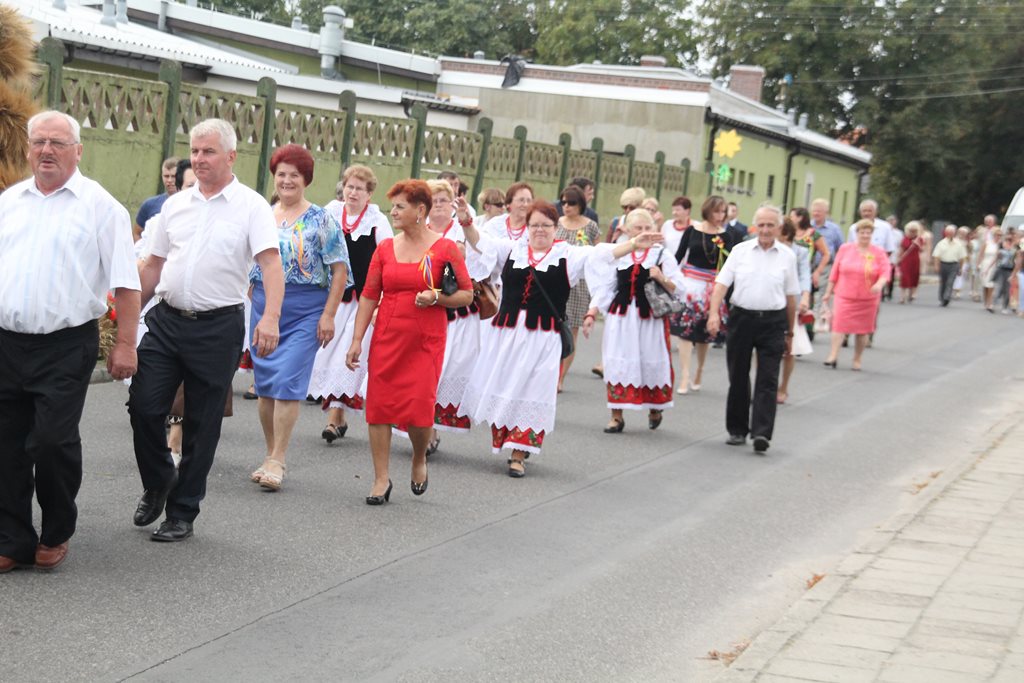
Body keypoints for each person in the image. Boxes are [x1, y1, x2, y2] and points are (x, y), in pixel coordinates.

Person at [129, 118, 284, 542]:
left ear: (231, 156)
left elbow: (271, 263)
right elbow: (153, 265)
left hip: (217, 326)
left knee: (201, 422)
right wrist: (124, 325)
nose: (198, 159)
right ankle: (161, 478)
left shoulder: (251, 206)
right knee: (144, 405)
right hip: (165, 319)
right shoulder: (175, 205)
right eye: (194, 152)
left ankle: (182, 512)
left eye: (208, 151)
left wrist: (269, 318)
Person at [0, 111, 140, 572]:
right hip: (6, 343)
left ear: (78, 151)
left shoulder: (102, 208)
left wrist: (125, 344)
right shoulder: (10, 202)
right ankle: (13, 538)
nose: (46, 150)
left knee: (52, 442)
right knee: (6, 444)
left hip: (65, 344)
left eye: (57, 143)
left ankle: (56, 529)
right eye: (38, 141)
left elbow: (126, 284)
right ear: (27, 148)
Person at [460, 201, 663, 477]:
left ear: (556, 228)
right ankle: (509, 438)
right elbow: (480, 243)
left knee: (533, 391)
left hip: (543, 339)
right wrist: (466, 222)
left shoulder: (567, 255)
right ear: (527, 227)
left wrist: (634, 244)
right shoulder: (511, 249)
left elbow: (602, 255)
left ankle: (519, 452)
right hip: (506, 336)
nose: (540, 230)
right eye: (534, 225)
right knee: (507, 387)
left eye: (546, 225)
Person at [345, 179, 473, 504]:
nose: (394, 212)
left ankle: (419, 457)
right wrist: (357, 339)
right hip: (387, 336)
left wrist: (437, 297)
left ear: (420, 210)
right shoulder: (385, 248)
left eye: (400, 206)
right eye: (393, 206)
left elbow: (467, 294)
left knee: (419, 410)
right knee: (379, 407)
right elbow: (369, 295)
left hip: (425, 340)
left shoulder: (444, 248)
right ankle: (381, 479)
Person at [247, 145, 350, 491]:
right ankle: (269, 452)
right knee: (265, 385)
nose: (287, 180)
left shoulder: (321, 219)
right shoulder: (261, 214)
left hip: (306, 309)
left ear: (305, 179)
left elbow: (339, 270)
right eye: (281, 174)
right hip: (263, 305)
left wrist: (329, 315)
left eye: (294, 175)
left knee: (288, 381)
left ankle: (278, 458)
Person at [308, 166, 393, 443]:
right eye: (349, 187)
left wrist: (382, 298)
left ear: (369, 194)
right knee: (326, 352)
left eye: (359, 188)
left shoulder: (377, 221)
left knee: (347, 354)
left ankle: (334, 417)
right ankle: (338, 415)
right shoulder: (330, 212)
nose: (353, 192)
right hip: (331, 297)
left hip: (361, 301)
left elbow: (389, 259)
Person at [708, 205, 798, 454]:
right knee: (738, 374)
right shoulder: (740, 251)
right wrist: (714, 313)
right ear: (754, 227)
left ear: (779, 228)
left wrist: (790, 332)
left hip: (773, 321)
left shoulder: (787, 256)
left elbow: (791, 298)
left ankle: (761, 432)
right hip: (742, 318)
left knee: (768, 378)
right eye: (762, 225)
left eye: (771, 225)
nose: (766, 230)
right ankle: (737, 430)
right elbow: (721, 284)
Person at [584, 208, 682, 432]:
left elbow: (680, 289)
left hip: (650, 320)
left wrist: (661, 277)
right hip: (622, 318)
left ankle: (655, 407)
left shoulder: (661, 254)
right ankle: (616, 416)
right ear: (627, 230)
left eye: (648, 228)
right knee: (618, 360)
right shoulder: (621, 253)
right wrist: (592, 312)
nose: (644, 233)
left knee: (649, 358)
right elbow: (607, 286)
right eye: (638, 228)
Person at [670, 195, 736, 395]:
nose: (720, 215)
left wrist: (725, 295)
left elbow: (729, 268)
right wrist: (672, 280)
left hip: (711, 287)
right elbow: (678, 257)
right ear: (708, 210)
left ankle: (699, 369)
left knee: (704, 334)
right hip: (690, 284)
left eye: (723, 211)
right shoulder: (692, 231)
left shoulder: (726, 237)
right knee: (684, 332)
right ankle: (684, 375)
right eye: (717, 211)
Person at [822, 219, 891, 370]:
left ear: (872, 234)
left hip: (867, 298)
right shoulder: (845, 249)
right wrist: (828, 292)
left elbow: (886, 271)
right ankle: (833, 355)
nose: (865, 235)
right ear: (856, 233)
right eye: (862, 232)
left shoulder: (878, 252)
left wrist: (879, 284)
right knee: (838, 326)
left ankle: (857, 359)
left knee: (862, 330)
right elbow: (835, 271)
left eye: (868, 232)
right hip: (844, 295)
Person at [554, 184, 601, 392]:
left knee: (571, 329)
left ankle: (560, 378)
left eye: (571, 203)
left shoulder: (590, 226)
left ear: (581, 204)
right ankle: (551, 373)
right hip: (557, 280)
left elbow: (599, 254)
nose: (566, 207)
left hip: (580, 285)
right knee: (553, 329)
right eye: (563, 202)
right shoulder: (556, 223)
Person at [776, 217, 812, 405]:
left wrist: (805, 298)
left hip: (792, 302)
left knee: (789, 349)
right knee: (766, 348)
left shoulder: (799, 252)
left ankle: (783, 386)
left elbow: (805, 276)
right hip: (771, 301)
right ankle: (767, 384)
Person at [790, 207, 830, 339]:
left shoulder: (813, 234)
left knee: (806, 301)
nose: (790, 219)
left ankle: (806, 331)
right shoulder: (790, 233)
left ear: (800, 218)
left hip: (806, 271)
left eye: (792, 216)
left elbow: (826, 254)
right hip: (791, 271)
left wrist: (818, 272)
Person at [133, 157, 179, 241]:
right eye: (166, 176)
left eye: (173, 176)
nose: (169, 180)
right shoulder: (150, 204)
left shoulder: (189, 203)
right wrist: (141, 251)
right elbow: (137, 233)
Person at [932, 225, 968, 307]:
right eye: (949, 232)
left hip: (954, 265)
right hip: (943, 264)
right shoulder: (941, 243)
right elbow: (936, 256)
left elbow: (962, 257)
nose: (950, 234)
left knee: (950, 282)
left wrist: (961, 268)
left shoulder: (959, 244)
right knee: (943, 282)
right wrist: (936, 266)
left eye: (952, 232)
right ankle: (942, 298)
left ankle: (947, 297)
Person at [809, 198, 844, 282]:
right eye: (814, 211)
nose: (816, 213)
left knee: (821, 294)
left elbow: (841, 249)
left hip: (826, 268)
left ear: (826, 213)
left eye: (819, 211)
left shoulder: (834, 229)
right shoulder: (807, 226)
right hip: (808, 266)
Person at [896, 221, 925, 304]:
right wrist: (899, 259)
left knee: (914, 276)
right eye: (911, 231)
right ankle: (902, 297)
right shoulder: (905, 239)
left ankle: (911, 294)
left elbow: (922, 250)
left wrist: (917, 244)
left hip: (915, 260)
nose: (913, 232)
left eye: (915, 231)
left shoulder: (919, 239)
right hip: (906, 260)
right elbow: (901, 250)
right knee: (904, 277)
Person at [976, 224, 1002, 312]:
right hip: (985, 264)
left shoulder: (999, 245)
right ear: (993, 235)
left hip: (994, 266)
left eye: (1000, 235)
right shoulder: (987, 243)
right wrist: (978, 264)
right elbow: (981, 254)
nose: (999, 237)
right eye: (997, 235)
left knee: (991, 284)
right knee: (985, 284)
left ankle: (990, 303)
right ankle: (986, 301)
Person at [994, 233, 1018, 314]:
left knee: (1008, 288)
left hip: (1010, 270)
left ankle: (1005, 306)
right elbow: (997, 258)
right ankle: (996, 299)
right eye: (1007, 240)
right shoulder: (1001, 248)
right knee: (1001, 286)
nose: (1008, 242)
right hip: (1001, 269)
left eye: (1010, 240)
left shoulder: (1015, 250)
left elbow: (1017, 260)